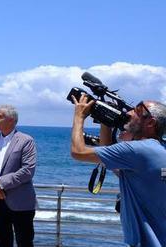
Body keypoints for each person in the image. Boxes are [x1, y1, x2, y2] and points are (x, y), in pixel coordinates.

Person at [70, 94, 166, 247]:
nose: (129, 113)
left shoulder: (137, 151)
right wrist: (106, 121)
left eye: (137, 111)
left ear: (151, 123)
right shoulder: (158, 150)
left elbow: (78, 152)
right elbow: (113, 162)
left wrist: (79, 116)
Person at [0, 104, 37, 247]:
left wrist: (0, 184)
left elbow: (28, 170)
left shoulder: (26, 140)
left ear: (11, 120)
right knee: (2, 242)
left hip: (21, 201)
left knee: (25, 242)